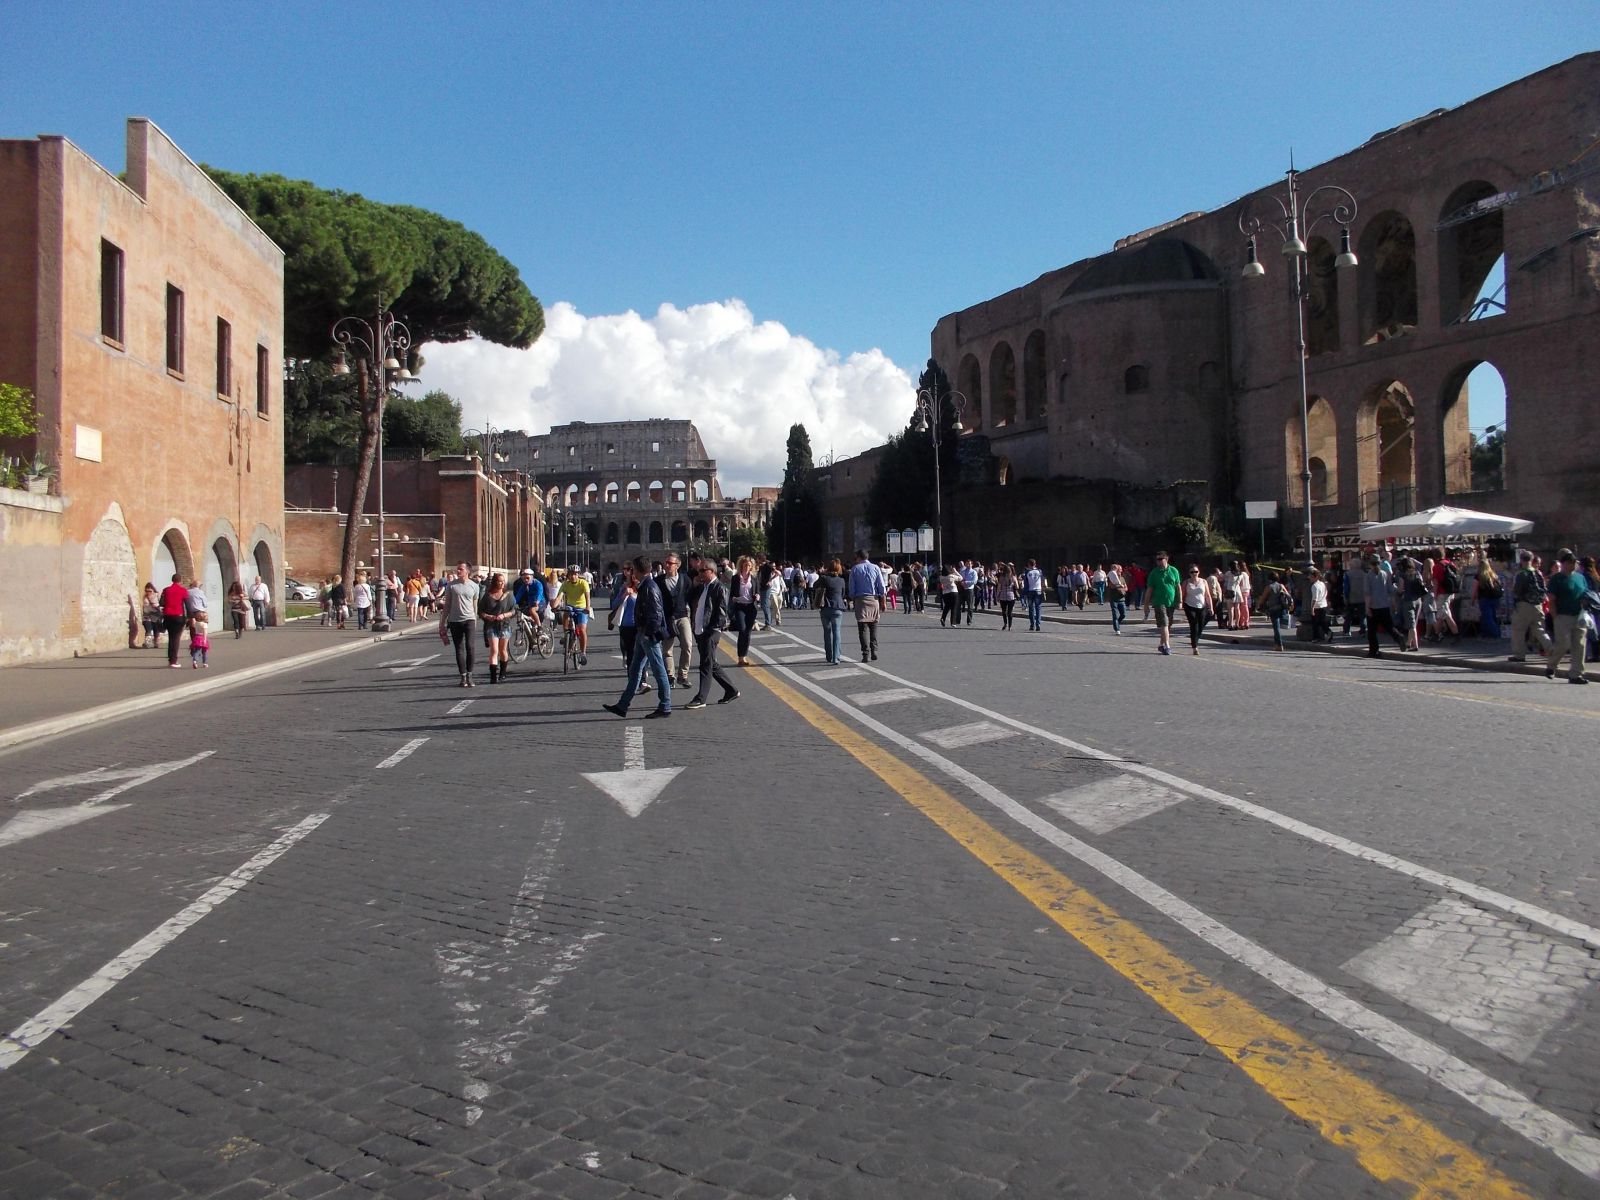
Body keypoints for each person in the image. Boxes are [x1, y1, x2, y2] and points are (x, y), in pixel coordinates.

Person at [604, 556, 673, 718]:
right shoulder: (646, 585)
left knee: (658, 670)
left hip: (648, 636)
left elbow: (656, 615)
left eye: (633, 569)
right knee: (635, 670)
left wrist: (649, 634)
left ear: (639, 570)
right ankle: (622, 705)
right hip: (642, 634)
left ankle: (665, 705)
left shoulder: (649, 587)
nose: (631, 572)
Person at [684, 560, 739, 709]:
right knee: (712, 664)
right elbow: (689, 599)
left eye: (703, 570)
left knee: (706, 664)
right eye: (699, 571)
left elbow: (721, 612)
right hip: (701, 630)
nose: (700, 573)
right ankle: (731, 690)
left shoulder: (719, 588)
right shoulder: (702, 587)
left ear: (712, 571)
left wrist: (713, 629)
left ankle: (701, 698)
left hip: (711, 631)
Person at [1544, 549, 1592, 683]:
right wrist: (1554, 615)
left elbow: (1585, 593)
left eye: (1574, 562)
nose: (1573, 565)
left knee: (1580, 645)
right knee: (1563, 644)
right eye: (1570, 562)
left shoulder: (1580, 577)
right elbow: (1551, 598)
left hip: (1579, 615)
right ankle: (1551, 665)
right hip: (1562, 616)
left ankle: (1576, 674)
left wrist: (1587, 602)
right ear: (1563, 563)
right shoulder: (1557, 579)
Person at [437, 562, 481, 687]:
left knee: (470, 647)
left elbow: (475, 604)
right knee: (459, 649)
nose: (458, 571)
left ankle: (470, 675)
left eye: (460, 569)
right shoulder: (451, 586)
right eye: (457, 569)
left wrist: (475, 619)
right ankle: (463, 676)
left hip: (469, 619)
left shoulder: (474, 586)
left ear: (467, 571)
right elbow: (447, 605)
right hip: (454, 620)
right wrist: (442, 622)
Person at [1508, 549, 1550, 662]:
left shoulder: (1521, 574)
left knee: (1518, 630)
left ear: (1521, 560)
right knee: (1539, 629)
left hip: (1524, 604)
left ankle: (1519, 654)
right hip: (1538, 604)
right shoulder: (1538, 573)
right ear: (1532, 560)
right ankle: (1551, 648)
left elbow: (1517, 590)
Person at [658, 553, 693, 688]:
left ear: (677, 566)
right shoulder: (659, 581)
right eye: (666, 562)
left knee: (687, 645)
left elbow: (690, 596)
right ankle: (670, 676)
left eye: (670, 563)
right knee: (667, 649)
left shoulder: (685, 579)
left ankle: (683, 676)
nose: (667, 565)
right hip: (666, 618)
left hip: (682, 616)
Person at [848, 548, 886, 661]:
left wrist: (853, 598)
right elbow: (881, 586)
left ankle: (865, 653)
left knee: (862, 628)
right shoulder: (875, 568)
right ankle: (874, 650)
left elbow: (852, 588)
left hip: (861, 599)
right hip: (873, 599)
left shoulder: (855, 569)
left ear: (859, 557)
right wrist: (882, 601)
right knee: (873, 626)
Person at [478, 573, 515, 683]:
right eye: (500, 581)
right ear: (495, 582)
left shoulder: (508, 595)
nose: (502, 583)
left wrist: (503, 615)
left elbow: (514, 611)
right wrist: (487, 616)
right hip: (491, 625)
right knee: (494, 650)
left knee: (503, 650)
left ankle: (503, 673)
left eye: (503, 581)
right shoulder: (487, 596)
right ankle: (493, 676)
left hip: (504, 625)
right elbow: (480, 611)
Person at [1364, 554, 1403, 657]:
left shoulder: (1368, 575)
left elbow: (1367, 594)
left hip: (1373, 606)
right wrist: (1394, 605)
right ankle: (1399, 638)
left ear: (1370, 564)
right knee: (1389, 627)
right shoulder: (1385, 574)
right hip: (1385, 605)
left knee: (1372, 631)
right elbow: (1390, 591)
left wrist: (1367, 608)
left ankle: (1374, 651)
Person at [1142, 551, 1181, 655]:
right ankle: (1167, 645)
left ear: (1166, 559)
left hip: (1171, 602)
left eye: (1160, 559)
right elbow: (1149, 589)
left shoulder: (1174, 571)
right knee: (1164, 623)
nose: (1158, 561)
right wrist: (1146, 605)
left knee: (1168, 625)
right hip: (1159, 602)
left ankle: (1161, 644)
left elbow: (1178, 587)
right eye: (1157, 560)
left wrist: (1180, 600)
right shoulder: (1154, 573)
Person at [556, 566, 593, 666]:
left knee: (581, 630)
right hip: (570, 606)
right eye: (571, 574)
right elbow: (559, 596)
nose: (573, 576)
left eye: (575, 574)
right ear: (568, 575)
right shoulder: (565, 584)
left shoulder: (583, 583)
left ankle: (583, 653)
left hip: (582, 608)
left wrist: (588, 607)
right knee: (566, 611)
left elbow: (587, 596)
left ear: (578, 575)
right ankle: (566, 633)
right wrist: (554, 606)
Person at [813, 558, 848, 664]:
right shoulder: (841, 580)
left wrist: (822, 574)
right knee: (837, 632)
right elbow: (842, 594)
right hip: (837, 608)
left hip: (825, 608)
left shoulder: (824, 578)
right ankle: (836, 657)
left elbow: (814, 586)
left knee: (827, 632)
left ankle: (828, 655)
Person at [728, 556, 760, 666]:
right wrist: (733, 599)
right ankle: (740, 657)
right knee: (742, 629)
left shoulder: (754, 578)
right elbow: (732, 593)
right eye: (746, 565)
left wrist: (757, 596)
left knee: (748, 632)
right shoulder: (736, 578)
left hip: (751, 607)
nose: (747, 567)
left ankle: (744, 657)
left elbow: (758, 591)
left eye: (750, 565)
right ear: (741, 565)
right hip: (740, 606)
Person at [1180, 563, 1212, 655]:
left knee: (1201, 624)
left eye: (1196, 571)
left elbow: (1207, 595)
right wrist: (1180, 603)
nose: (1194, 573)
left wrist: (1210, 607)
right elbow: (1182, 594)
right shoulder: (1186, 582)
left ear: (1199, 572)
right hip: (1189, 605)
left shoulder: (1204, 582)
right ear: (1189, 573)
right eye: (1192, 572)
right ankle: (1195, 647)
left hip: (1202, 606)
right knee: (1194, 624)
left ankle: (1195, 639)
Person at [159, 573, 189, 668]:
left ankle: (170, 659)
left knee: (171, 637)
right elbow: (187, 604)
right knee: (176, 639)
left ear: (172, 580)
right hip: (178, 616)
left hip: (167, 616)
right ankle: (173, 661)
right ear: (180, 581)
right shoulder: (183, 590)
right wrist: (189, 617)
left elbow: (161, 603)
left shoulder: (166, 590)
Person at [1256, 569, 1291, 650]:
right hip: (1281, 607)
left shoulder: (1268, 587)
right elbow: (1288, 595)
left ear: (1269, 578)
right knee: (1278, 627)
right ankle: (1277, 644)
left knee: (1276, 627)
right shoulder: (1281, 585)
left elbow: (1263, 598)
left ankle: (1279, 645)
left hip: (1273, 608)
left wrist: (1259, 605)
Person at [1022, 559, 1045, 631]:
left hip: (1030, 591)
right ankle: (1038, 624)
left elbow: (1026, 583)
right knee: (1038, 608)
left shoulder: (1027, 572)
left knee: (1031, 609)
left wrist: (1024, 593)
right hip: (1038, 591)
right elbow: (1042, 580)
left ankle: (1032, 625)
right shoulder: (1039, 571)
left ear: (1029, 564)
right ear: (1035, 564)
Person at [1106, 563, 1128, 634]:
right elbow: (1111, 586)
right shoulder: (1112, 577)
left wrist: (1123, 589)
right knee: (1115, 614)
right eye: (1119, 569)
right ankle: (1117, 629)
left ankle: (1117, 623)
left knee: (1123, 614)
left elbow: (1126, 587)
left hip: (1121, 599)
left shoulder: (1122, 578)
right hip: (1114, 599)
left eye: (1121, 569)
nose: (1121, 571)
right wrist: (1119, 587)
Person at [994, 563, 1017, 630]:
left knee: (1004, 611)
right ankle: (1010, 626)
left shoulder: (1001, 578)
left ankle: (1005, 624)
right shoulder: (1013, 577)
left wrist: (997, 596)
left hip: (1003, 596)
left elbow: (999, 588)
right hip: (1011, 596)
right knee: (1010, 612)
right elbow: (1017, 586)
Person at [141, 583, 162, 649]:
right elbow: (145, 607)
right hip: (147, 616)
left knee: (156, 629)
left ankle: (156, 643)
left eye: (150, 591)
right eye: (146, 591)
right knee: (148, 629)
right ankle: (148, 643)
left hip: (155, 616)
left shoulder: (157, 596)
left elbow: (160, 605)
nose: (148, 592)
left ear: (153, 590)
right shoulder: (145, 597)